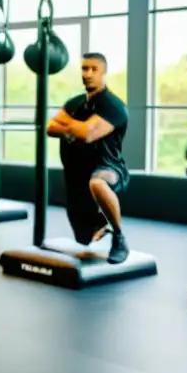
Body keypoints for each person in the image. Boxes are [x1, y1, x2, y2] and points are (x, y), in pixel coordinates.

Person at [46, 52, 130, 264]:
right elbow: (50, 127)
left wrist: (68, 126)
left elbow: (88, 133)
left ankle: (119, 238)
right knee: (84, 239)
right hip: (77, 174)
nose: (88, 73)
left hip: (109, 168)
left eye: (94, 69)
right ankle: (100, 221)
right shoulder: (75, 103)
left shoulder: (113, 106)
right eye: (85, 68)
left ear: (103, 72)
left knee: (98, 183)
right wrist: (76, 127)